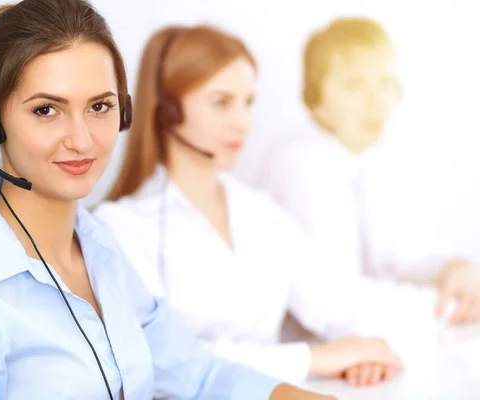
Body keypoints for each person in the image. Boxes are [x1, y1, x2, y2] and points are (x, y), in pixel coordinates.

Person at [0, 1, 336, 399]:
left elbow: (197, 376)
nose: (82, 140)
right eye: (47, 109)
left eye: (99, 106)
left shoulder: (101, 250)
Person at [93, 24, 420, 388]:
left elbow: (337, 305)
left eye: (248, 102)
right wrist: (313, 358)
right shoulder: (123, 227)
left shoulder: (261, 213)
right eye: (222, 102)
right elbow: (164, 360)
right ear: (168, 110)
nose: (242, 122)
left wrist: (365, 351)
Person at [248, 17, 480, 325]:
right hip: (313, 355)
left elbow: (401, 250)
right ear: (314, 97)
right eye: (354, 85)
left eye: (384, 83)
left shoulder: (363, 158)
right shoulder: (300, 164)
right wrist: (447, 305)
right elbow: (334, 302)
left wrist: (453, 267)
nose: (376, 102)